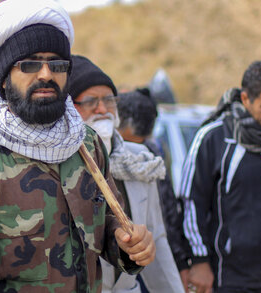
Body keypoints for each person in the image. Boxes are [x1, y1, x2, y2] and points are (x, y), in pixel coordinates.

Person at [0, 0, 156, 292]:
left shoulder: (86, 144)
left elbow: (108, 226)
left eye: (57, 65)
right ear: (4, 79)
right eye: (29, 65)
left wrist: (131, 244)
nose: (45, 74)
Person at [180, 60, 261, 293]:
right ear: (245, 99)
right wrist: (199, 261)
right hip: (231, 279)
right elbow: (191, 202)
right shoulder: (214, 138)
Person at [68, 55, 183, 293]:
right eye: (90, 101)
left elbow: (155, 240)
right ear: (68, 108)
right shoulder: (60, 166)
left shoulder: (139, 160)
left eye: (109, 100)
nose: (102, 110)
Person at [117, 88, 192, 288]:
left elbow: (166, 211)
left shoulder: (150, 158)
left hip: (150, 254)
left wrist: (180, 260)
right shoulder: (96, 156)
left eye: (140, 142)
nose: (130, 152)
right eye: (127, 142)